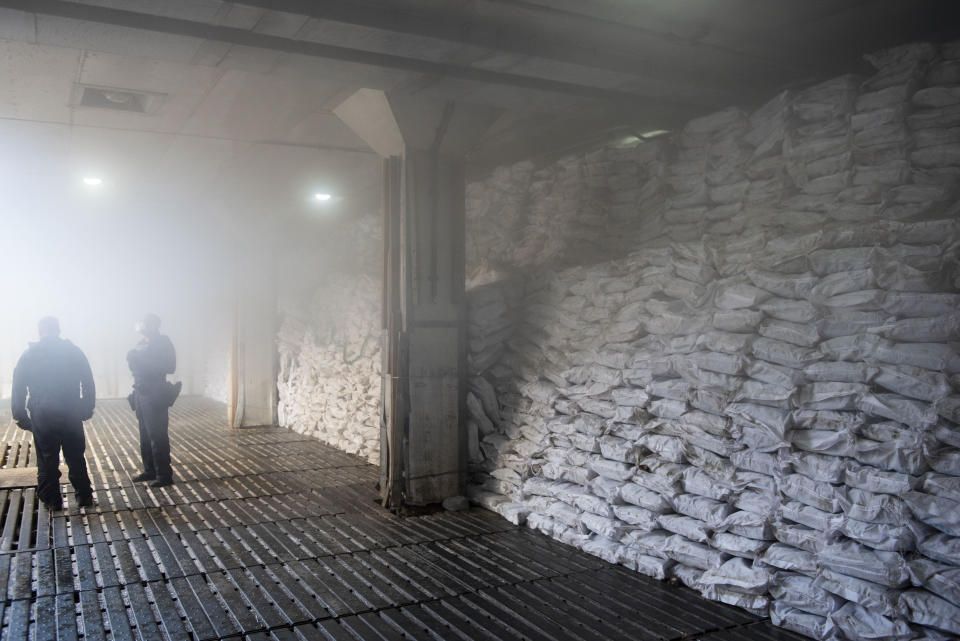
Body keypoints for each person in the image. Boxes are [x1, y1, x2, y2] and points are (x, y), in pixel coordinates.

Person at [11, 317, 95, 510]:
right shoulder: (73, 351)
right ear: (58, 330)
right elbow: (88, 381)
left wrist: (20, 415)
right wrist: (86, 407)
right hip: (70, 411)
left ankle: (52, 500)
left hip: (43, 414)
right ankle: (84, 496)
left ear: (40, 331)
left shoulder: (29, 355)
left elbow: (18, 388)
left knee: (47, 459)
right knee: (75, 456)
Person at [127, 313, 179, 487]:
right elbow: (136, 365)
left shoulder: (163, 342)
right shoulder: (142, 343)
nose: (141, 327)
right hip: (141, 392)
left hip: (155, 392)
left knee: (157, 435)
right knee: (145, 434)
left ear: (152, 325)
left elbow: (170, 366)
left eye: (145, 324)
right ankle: (150, 470)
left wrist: (141, 360)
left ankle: (164, 475)